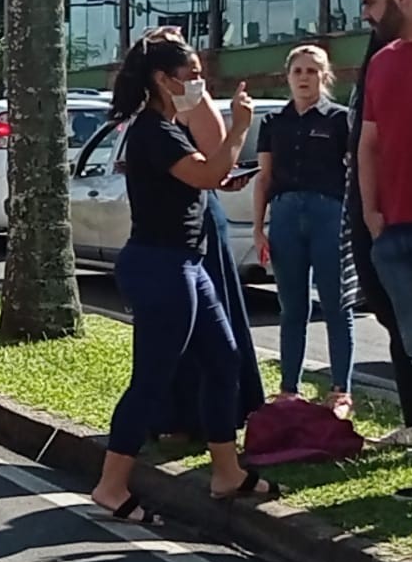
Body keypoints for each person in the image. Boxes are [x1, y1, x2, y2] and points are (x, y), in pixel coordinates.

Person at [91, 33, 279, 527]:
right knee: (152, 379)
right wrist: (239, 129)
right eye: (191, 74)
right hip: (161, 267)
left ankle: (226, 471)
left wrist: (225, 172)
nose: (199, 83)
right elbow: (203, 173)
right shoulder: (153, 130)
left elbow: (207, 175)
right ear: (161, 79)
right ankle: (111, 484)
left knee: (224, 360)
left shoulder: (169, 128)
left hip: (186, 265)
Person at [252, 45, 355, 416]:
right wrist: (259, 229)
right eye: (298, 71)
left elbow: (357, 173)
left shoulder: (340, 119)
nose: (304, 78)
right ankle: (288, 389)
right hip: (284, 216)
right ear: (288, 76)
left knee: (335, 303)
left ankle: (341, 389)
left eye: (312, 71)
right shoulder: (273, 123)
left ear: (324, 77)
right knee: (292, 307)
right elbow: (264, 179)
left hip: (328, 214)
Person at [346, 13, 412, 446]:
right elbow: (367, 144)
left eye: (372, 2)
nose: (365, 14)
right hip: (391, 230)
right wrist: (370, 212)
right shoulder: (382, 61)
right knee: (411, 345)